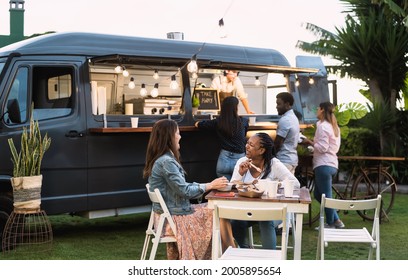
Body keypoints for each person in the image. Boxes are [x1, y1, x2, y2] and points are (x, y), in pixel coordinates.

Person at [143, 119, 235, 260]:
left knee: (217, 208)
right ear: (169, 137)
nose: (180, 136)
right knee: (219, 211)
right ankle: (230, 255)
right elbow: (185, 191)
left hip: (167, 215)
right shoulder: (167, 162)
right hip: (174, 219)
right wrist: (210, 185)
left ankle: (228, 254)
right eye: (178, 133)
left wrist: (210, 184)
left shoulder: (162, 159)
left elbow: (182, 187)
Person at [230, 132, 300, 249]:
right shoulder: (242, 161)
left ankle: (270, 258)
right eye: (247, 143)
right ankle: (246, 250)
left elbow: (296, 184)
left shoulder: (274, 164)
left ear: (261, 150)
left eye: (251, 145)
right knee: (235, 221)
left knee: (265, 219)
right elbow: (233, 185)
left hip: (274, 210)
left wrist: (273, 185)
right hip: (250, 209)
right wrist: (240, 173)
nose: (247, 146)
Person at [302, 102, 344, 229]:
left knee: (326, 196)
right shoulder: (333, 126)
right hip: (332, 164)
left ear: (322, 110)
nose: (316, 110)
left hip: (323, 165)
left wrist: (309, 142)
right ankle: (336, 220)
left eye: (317, 108)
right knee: (318, 194)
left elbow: (323, 147)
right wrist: (313, 145)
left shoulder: (323, 126)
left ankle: (331, 223)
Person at [195, 96, 249, 181]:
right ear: (236, 107)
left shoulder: (218, 121)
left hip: (224, 160)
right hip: (239, 161)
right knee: (239, 188)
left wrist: (197, 122)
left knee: (226, 189)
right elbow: (243, 135)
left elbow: (199, 124)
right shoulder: (244, 121)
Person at [275, 91, 300, 174]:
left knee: (278, 186)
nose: (276, 107)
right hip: (292, 160)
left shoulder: (285, 120)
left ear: (287, 104)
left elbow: (278, 142)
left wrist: (269, 156)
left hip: (283, 160)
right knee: (288, 186)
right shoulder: (294, 118)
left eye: (279, 104)